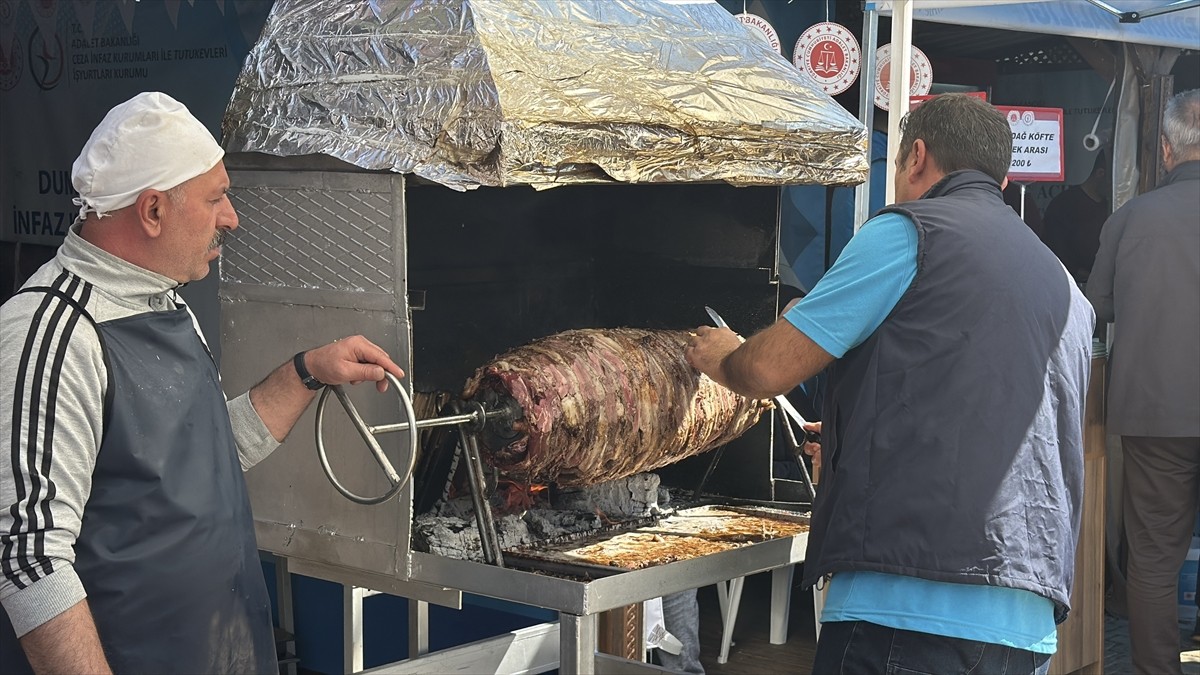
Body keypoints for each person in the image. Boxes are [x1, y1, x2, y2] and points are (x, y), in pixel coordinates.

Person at [686, 93, 1094, 674]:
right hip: (1026, 619)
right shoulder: (1062, 282)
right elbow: (993, 417)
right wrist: (859, 438)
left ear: (916, 157)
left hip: (905, 610)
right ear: (1000, 179)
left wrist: (726, 357)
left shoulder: (912, 234)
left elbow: (767, 369)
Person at [0, 92, 405, 675]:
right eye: (216, 198)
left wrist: (308, 371)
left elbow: (204, 460)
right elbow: (29, 558)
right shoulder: (55, 333)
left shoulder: (167, 305)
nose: (232, 218)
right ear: (153, 211)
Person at [1086, 88, 1200, 675]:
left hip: (1155, 412)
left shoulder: (1130, 219)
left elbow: (1095, 308)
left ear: (1163, 150)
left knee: (1154, 559)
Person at [1043, 151, 1111, 284]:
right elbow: (1054, 248)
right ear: (1100, 174)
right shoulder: (1064, 204)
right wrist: (1082, 274)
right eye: (1112, 180)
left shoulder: (1112, 206)